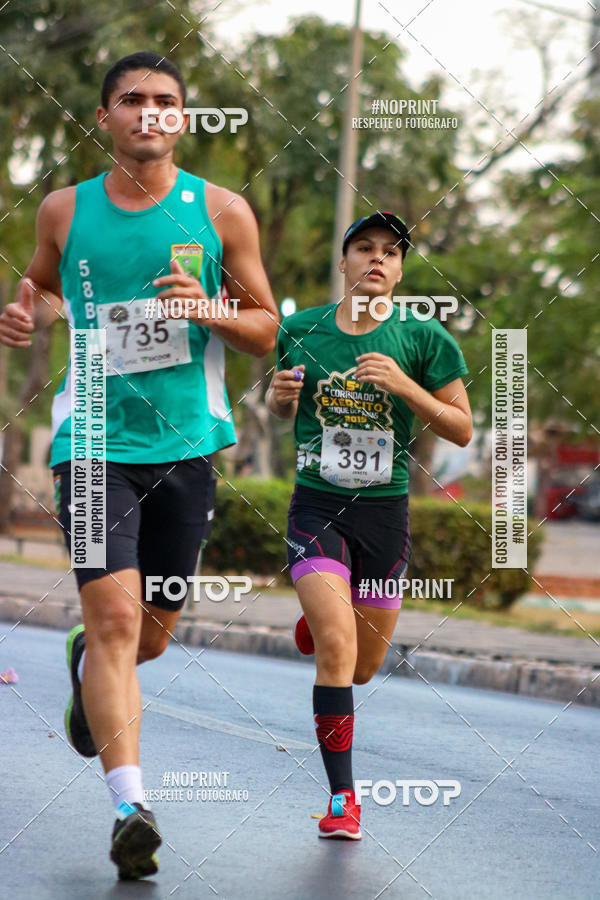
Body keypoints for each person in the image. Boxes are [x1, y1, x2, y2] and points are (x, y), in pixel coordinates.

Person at [0, 51, 278, 879]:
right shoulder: (62, 209)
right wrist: (22, 311)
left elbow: (267, 327)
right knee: (122, 623)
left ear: (183, 119)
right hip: (90, 440)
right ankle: (131, 806)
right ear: (106, 118)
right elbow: (41, 285)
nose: (148, 113)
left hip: (187, 444)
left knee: (148, 637)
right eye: (132, 101)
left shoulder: (223, 212)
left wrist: (210, 308)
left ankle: (88, 661)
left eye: (164, 101)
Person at [266, 212, 472, 839]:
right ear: (345, 261)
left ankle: (323, 615)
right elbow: (279, 408)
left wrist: (406, 386)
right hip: (317, 505)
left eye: (389, 252)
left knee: (360, 667)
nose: (376, 260)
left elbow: (461, 426)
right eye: (364, 249)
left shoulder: (425, 338)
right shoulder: (300, 330)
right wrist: (278, 399)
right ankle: (342, 801)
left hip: (385, 512)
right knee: (336, 650)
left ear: (401, 268)